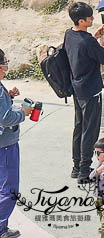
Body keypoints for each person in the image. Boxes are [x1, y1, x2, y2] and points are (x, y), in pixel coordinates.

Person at [64, 2, 104, 184]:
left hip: (76, 88)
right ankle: (85, 172)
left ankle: (76, 167)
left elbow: (81, 49)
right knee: (90, 131)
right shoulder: (88, 41)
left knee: (79, 127)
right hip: (90, 90)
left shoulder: (70, 34)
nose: (93, 19)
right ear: (82, 21)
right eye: (90, 17)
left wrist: (95, 36)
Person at [1, 48, 34, 238]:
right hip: (5, 146)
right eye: (5, 61)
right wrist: (23, 113)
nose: (7, 64)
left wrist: (9, 97)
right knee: (9, 189)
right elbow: (5, 119)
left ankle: (2, 229)